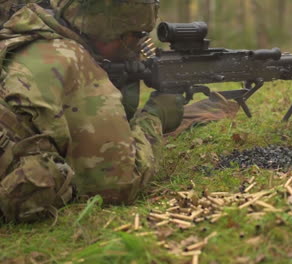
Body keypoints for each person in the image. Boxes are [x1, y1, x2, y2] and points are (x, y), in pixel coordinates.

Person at [0, 0, 186, 223]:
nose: (139, 46)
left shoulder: (23, 40)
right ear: (108, 30)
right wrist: (157, 116)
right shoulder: (71, 59)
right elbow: (117, 184)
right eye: (136, 35)